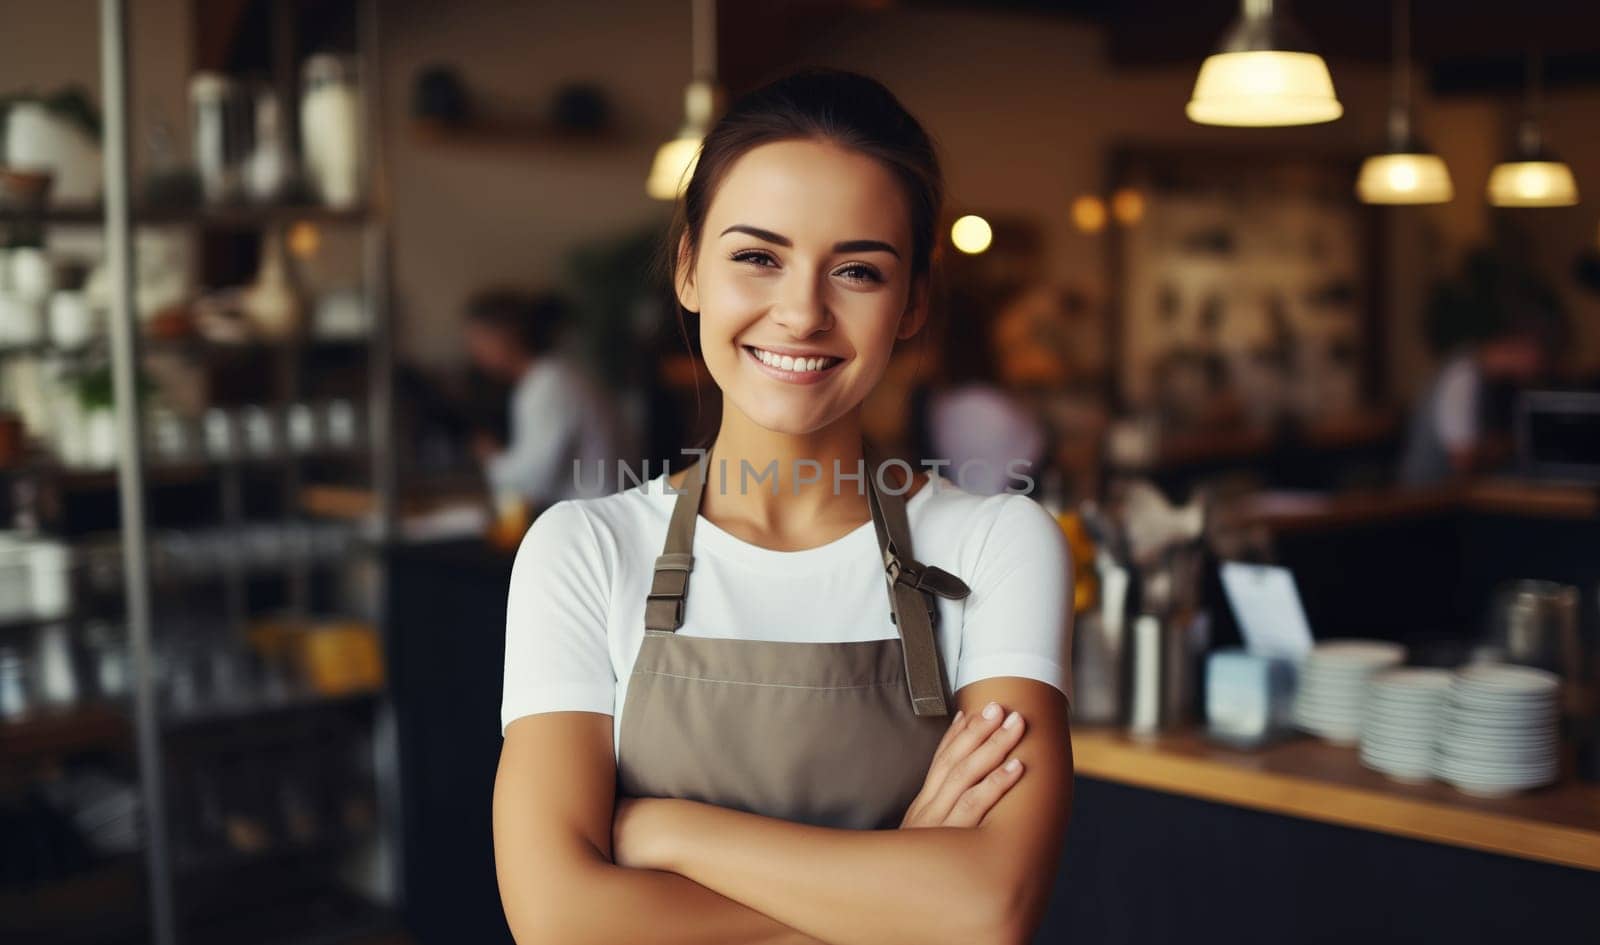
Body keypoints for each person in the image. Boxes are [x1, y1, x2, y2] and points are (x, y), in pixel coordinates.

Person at [493, 69, 1074, 944]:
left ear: (913, 300)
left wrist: (664, 829)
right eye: (757, 257)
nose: (802, 312)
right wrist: (899, 898)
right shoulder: (582, 551)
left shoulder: (997, 543)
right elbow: (560, 922)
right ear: (689, 269)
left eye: (858, 271)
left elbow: (989, 909)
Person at [463, 289, 621, 505]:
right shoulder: (554, 376)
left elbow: (535, 480)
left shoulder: (548, 385)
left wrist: (491, 459)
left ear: (505, 335)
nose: (474, 353)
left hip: (591, 517)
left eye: (478, 341)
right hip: (594, 511)